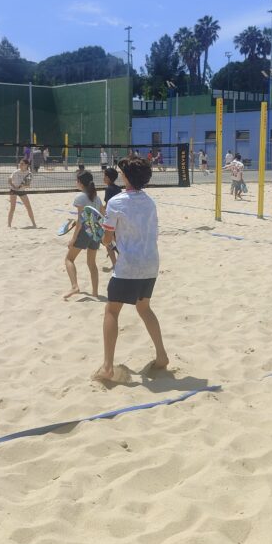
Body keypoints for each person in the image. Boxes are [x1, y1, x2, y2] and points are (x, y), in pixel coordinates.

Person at [93, 154, 169, 382]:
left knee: (111, 311)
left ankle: (107, 367)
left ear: (126, 177)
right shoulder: (150, 202)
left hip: (129, 266)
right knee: (144, 308)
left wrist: (105, 238)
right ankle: (162, 356)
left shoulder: (116, 202)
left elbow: (107, 239)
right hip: (150, 263)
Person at [64, 170, 102, 299]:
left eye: (77, 180)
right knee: (92, 263)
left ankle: (74, 286)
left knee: (69, 259)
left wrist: (73, 239)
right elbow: (101, 215)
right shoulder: (97, 198)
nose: (76, 182)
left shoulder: (80, 197)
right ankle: (95, 293)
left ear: (80, 182)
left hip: (85, 231)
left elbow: (81, 220)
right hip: (96, 232)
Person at [102, 166, 122, 268]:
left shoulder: (109, 189)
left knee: (108, 243)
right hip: (119, 218)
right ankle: (120, 260)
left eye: (104, 176)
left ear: (108, 178)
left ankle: (115, 264)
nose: (103, 178)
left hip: (111, 219)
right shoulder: (118, 189)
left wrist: (99, 211)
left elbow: (107, 206)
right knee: (116, 241)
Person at [7, 159, 36, 228]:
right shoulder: (16, 172)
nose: (20, 165)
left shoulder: (29, 174)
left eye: (22, 164)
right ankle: (9, 225)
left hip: (21, 191)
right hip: (13, 190)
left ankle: (34, 224)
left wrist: (22, 186)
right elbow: (9, 180)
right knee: (12, 208)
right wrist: (13, 185)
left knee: (28, 207)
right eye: (20, 163)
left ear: (26, 165)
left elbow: (28, 185)